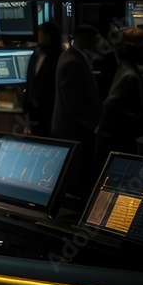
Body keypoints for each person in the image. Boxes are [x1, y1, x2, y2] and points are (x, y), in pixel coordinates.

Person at [50, 24, 103, 193]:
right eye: (96, 40)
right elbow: (73, 102)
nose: (98, 44)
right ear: (86, 39)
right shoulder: (72, 61)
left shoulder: (69, 56)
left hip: (70, 129)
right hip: (73, 130)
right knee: (77, 178)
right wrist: (93, 124)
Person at [95, 27, 143, 168]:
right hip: (118, 141)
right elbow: (111, 103)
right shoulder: (129, 74)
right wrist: (137, 118)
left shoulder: (125, 69)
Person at [22, 20, 63, 137]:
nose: (40, 36)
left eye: (44, 33)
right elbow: (30, 83)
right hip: (33, 113)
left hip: (50, 113)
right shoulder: (35, 55)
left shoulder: (59, 57)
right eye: (40, 32)